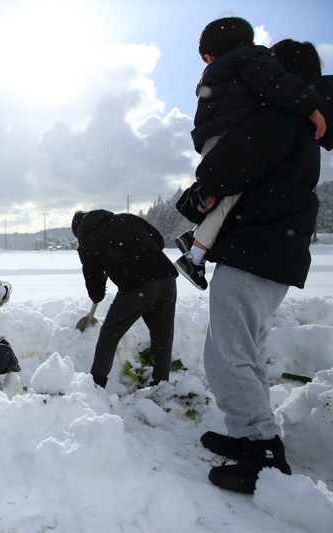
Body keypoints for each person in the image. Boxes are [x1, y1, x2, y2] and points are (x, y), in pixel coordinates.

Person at [190, 38, 332, 493]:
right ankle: (248, 432)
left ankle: (261, 451)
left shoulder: (277, 119)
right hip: (274, 253)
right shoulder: (301, 127)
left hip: (256, 251)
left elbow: (225, 167)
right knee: (242, 348)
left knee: (227, 353)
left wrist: (199, 192)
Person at [174, 16, 326, 291]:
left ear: (209, 55)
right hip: (266, 253)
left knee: (223, 193)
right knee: (227, 196)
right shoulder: (255, 64)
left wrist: (208, 183)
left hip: (216, 141)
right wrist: (310, 108)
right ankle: (194, 254)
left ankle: (195, 241)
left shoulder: (221, 72)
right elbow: (275, 84)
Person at [71, 210, 177, 389]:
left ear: (79, 231)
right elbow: (158, 240)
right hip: (166, 276)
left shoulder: (88, 243)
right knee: (163, 335)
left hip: (137, 284)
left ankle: (96, 385)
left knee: (110, 333)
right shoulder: (126, 218)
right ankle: (161, 384)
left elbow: (95, 288)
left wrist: (103, 279)